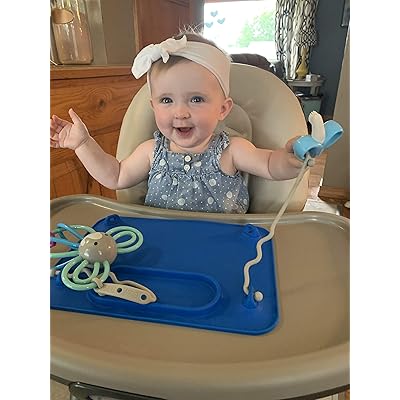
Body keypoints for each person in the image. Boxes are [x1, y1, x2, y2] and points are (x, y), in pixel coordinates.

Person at [50, 31, 305, 214]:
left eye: (196, 99)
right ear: (153, 106)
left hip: (223, 247)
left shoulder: (232, 150)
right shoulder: (151, 151)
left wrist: (290, 160)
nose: (180, 112)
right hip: (161, 247)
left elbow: (270, 166)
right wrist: (82, 144)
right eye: (166, 100)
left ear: (223, 109)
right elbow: (115, 176)